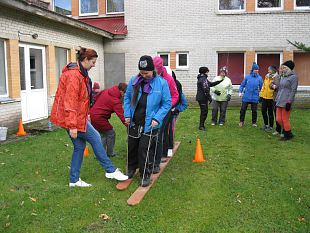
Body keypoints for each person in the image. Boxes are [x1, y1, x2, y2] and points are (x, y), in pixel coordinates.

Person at [50, 47, 128, 188]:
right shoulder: (74, 75)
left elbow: (82, 99)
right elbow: (70, 102)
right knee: (96, 138)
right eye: (92, 62)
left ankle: (74, 180)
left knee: (79, 147)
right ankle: (110, 170)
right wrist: (73, 126)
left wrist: (87, 114)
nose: (94, 65)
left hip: (78, 117)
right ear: (85, 60)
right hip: (72, 119)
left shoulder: (82, 73)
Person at [124, 55, 171, 187]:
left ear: (153, 70)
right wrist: (127, 114)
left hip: (150, 123)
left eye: (146, 73)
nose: (144, 75)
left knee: (145, 150)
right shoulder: (134, 81)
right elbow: (127, 98)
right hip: (134, 121)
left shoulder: (161, 83)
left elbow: (166, 103)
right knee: (132, 147)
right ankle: (131, 169)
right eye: (141, 72)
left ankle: (145, 175)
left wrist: (157, 118)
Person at [152, 56, 179, 174]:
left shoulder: (168, 79)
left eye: (155, 69)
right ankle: (148, 157)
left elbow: (175, 95)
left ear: (160, 68)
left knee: (159, 133)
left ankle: (158, 160)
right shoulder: (150, 77)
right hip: (152, 109)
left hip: (164, 110)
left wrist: (167, 105)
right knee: (150, 133)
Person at [90, 83, 128, 157]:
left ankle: (99, 154)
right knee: (110, 133)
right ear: (121, 91)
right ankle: (110, 153)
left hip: (93, 114)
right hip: (99, 118)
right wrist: (128, 124)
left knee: (103, 134)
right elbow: (121, 115)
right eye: (124, 93)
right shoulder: (115, 100)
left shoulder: (107, 90)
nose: (124, 95)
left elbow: (95, 97)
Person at [274, 60, 298, 140]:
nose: (283, 69)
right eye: (282, 68)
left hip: (286, 101)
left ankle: (287, 135)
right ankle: (288, 132)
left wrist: (289, 102)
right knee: (278, 119)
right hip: (279, 100)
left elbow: (293, 90)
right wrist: (276, 99)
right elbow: (280, 88)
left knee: (285, 119)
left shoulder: (294, 77)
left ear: (289, 68)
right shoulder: (283, 76)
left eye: (284, 68)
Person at [168, 70, 188, 155]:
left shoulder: (177, 86)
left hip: (173, 111)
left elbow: (184, 104)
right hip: (164, 111)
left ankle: (170, 146)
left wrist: (176, 109)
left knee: (170, 128)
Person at [239, 62, 263, 127]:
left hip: (255, 97)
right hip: (246, 96)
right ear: (252, 70)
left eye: (257, 70)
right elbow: (242, 85)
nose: (256, 71)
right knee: (243, 109)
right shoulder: (247, 77)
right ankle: (241, 121)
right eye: (255, 69)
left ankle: (254, 122)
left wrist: (261, 95)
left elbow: (262, 88)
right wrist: (240, 92)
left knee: (254, 111)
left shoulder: (259, 78)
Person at [259, 65, 278, 132]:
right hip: (264, 97)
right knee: (263, 111)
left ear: (273, 70)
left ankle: (271, 126)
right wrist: (261, 95)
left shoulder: (276, 77)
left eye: (269, 70)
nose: (268, 71)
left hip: (271, 98)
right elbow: (263, 86)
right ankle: (266, 124)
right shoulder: (266, 76)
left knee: (270, 112)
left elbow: (276, 88)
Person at [270, 67, 283, 136]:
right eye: (280, 69)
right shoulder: (276, 77)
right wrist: (273, 86)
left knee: (283, 116)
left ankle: (284, 130)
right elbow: (270, 84)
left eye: (283, 69)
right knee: (277, 115)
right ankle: (278, 130)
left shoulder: (287, 78)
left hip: (283, 99)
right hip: (275, 99)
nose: (281, 70)